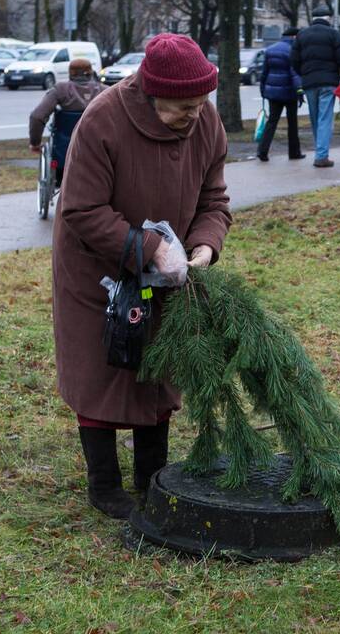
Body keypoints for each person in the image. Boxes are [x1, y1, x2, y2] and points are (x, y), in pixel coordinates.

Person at [52, 33, 232, 519]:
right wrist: (150, 249)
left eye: (200, 104)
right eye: (181, 108)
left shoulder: (204, 118)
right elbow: (82, 209)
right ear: (152, 95)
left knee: (159, 365)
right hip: (99, 269)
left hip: (171, 274)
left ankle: (152, 474)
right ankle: (104, 484)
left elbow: (214, 199)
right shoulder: (103, 120)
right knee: (102, 367)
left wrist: (202, 248)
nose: (193, 115)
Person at [290, 4, 340, 168]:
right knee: (325, 118)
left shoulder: (301, 35)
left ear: (313, 18)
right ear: (329, 18)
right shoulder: (334, 35)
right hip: (328, 83)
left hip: (310, 83)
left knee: (315, 118)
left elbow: (294, 60)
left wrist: (304, 74)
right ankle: (321, 156)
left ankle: (320, 151)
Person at [28, 58, 107, 186]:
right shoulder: (105, 91)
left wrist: (35, 143)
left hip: (63, 156)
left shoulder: (60, 90)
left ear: (71, 73)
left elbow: (37, 116)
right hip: (99, 155)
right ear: (90, 72)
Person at [257, 27, 305, 162]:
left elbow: (264, 73)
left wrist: (263, 90)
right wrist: (300, 90)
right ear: (294, 37)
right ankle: (294, 152)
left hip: (273, 93)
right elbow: (294, 74)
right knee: (292, 122)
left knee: (272, 121)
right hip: (289, 93)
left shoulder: (270, 49)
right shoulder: (292, 51)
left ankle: (262, 151)